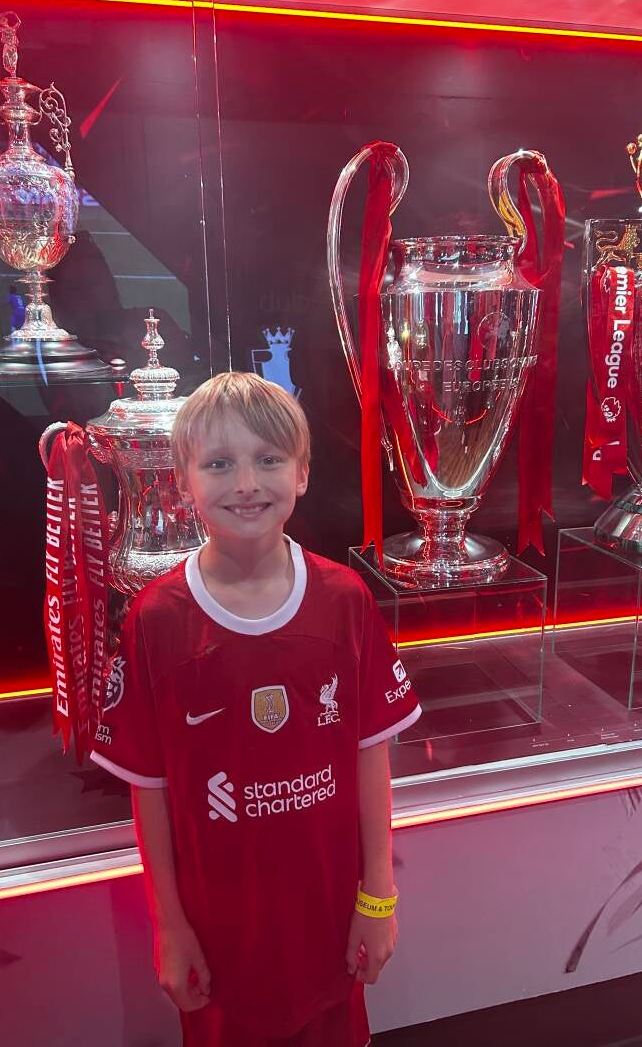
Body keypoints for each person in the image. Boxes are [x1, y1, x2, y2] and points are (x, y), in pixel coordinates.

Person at [90, 371, 421, 1046]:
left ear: (302, 473)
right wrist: (170, 927)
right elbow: (150, 791)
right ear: (183, 481)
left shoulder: (344, 600)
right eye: (219, 464)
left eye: (268, 460)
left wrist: (378, 898)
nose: (246, 483)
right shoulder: (156, 620)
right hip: (219, 946)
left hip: (329, 928)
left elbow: (370, 760)